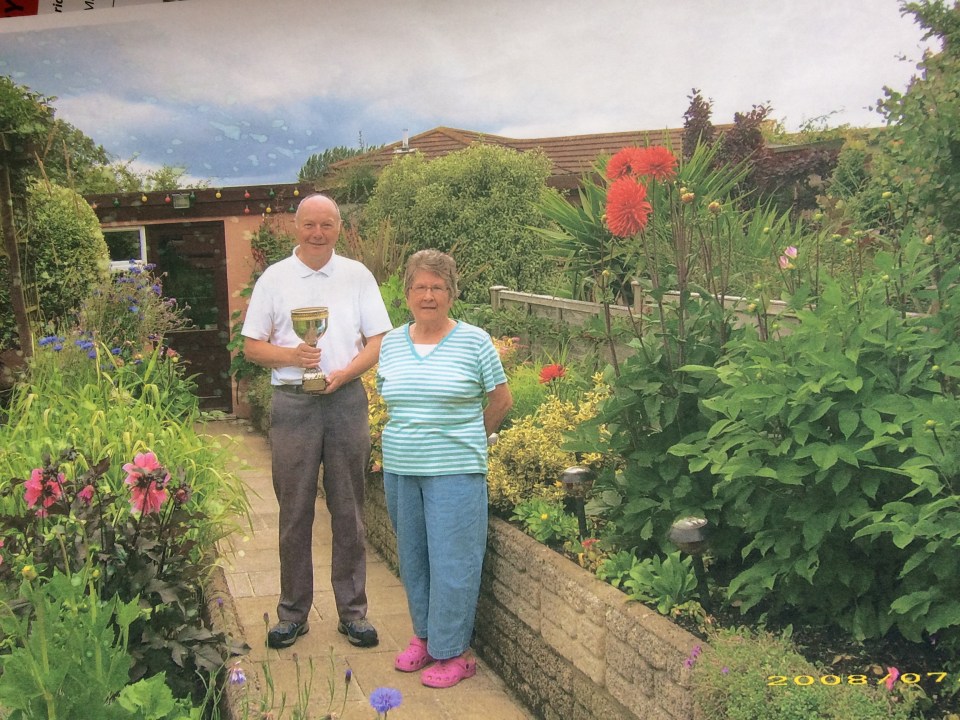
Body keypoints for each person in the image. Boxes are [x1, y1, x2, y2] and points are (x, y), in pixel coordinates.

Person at [241, 193, 392, 649]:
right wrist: (293, 356)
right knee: (294, 511)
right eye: (310, 224)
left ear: (339, 228)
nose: (318, 233)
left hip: (345, 400)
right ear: (297, 226)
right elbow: (251, 347)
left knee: (350, 511)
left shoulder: (357, 275)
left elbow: (378, 340)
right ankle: (292, 613)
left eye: (327, 224)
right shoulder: (274, 278)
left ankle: (353, 613)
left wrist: (346, 372)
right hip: (293, 405)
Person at [377, 249, 513, 688]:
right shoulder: (392, 343)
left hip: (455, 471)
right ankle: (425, 637)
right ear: (407, 294)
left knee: (454, 562)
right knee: (414, 559)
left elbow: (501, 400)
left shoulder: (475, 341)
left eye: (438, 287)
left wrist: (468, 439)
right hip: (401, 468)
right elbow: (390, 399)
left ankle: (455, 652)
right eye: (420, 286)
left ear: (451, 294)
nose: (428, 295)